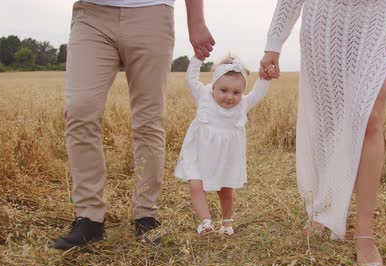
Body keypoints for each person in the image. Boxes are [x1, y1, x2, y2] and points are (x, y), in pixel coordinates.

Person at [54, 0, 215, 249]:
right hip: (92, 14)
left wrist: (196, 20)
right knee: (80, 111)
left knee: (149, 121)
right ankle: (89, 218)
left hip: (152, 12)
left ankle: (145, 216)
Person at [259, 0, 386, 266]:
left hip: (377, 17)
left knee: (368, 117)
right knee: (328, 122)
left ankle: (364, 233)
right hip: (323, 21)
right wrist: (273, 44)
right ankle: (323, 206)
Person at [174, 56, 274, 236]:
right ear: (213, 87)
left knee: (226, 190)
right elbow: (191, 79)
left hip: (226, 157)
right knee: (196, 185)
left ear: (242, 93)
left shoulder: (242, 105)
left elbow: (257, 94)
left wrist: (264, 79)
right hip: (199, 153)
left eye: (236, 92)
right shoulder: (204, 97)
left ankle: (227, 223)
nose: (229, 97)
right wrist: (197, 58)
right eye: (224, 90)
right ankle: (205, 223)